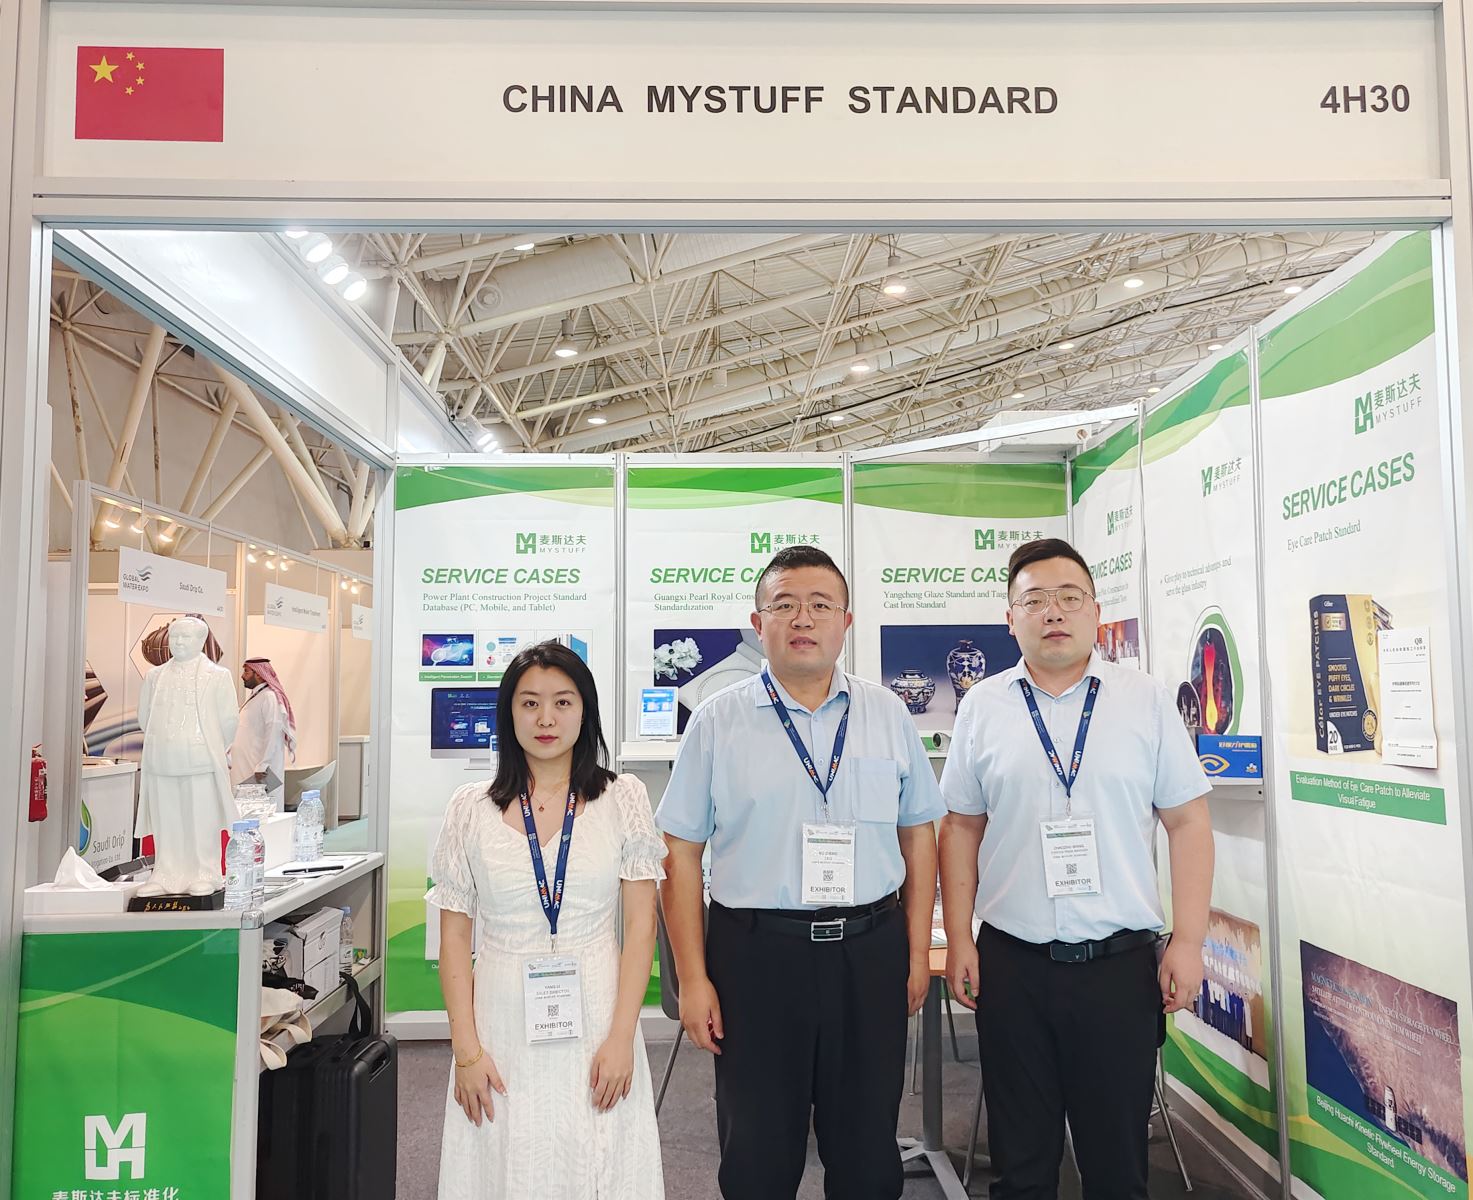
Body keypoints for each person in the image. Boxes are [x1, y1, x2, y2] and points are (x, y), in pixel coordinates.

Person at [657, 544, 945, 1200]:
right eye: (783, 605)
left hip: (868, 952)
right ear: (757, 624)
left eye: (820, 604)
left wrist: (912, 950)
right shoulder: (716, 721)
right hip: (756, 957)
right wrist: (694, 979)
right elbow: (680, 852)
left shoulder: (887, 714)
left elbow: (917, 835)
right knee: (757, 1154)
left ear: (847, 620)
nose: (802, 618)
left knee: (867, 1153)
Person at [938, 537, 1214, 1200]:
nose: (1053, 612)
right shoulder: (982, 707)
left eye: (1069, 597)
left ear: (1094, 612)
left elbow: (1187, 823)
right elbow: (960, 828)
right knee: (1020, 1166)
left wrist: (1188, 941)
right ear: (1010, 619)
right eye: (1034, 600)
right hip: (1012, 965)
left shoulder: (1146, 702)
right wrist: (961, 939)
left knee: (1117, 1167)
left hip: (1117, 969)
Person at [427, 640, 665, 1200]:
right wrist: (466, 1049)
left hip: (600, 1013)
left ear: (585, 711)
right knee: (503, 1157)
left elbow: (640, 929)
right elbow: (455, 938)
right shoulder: (470, 808)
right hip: (500, 1020)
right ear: (509, 714)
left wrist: (622, 1038)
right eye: (529, 703)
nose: (546, 719)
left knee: (600, 1158)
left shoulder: (623, 798)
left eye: (563, 702)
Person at [135, 616, 240, 895]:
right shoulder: (155, 676)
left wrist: (209, 745)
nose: (179, 642)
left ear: (201, 641)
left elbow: (229, 721)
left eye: (186, 637)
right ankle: (165, 872)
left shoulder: (217, 676)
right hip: (162, 759)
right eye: (175, 636)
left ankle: (206, 872)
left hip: (200, 759)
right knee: (166, 819)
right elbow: (145, 717)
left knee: (201, 818)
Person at [229, 656, 296, 809]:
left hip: (260, 770)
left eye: (246, 672)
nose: (242, 676)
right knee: (247, 809)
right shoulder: (257, 696)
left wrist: (263, 765)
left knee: (265, 810)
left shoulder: (269, 697)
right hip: (247, 766)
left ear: (258, 674)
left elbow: (273, 732)